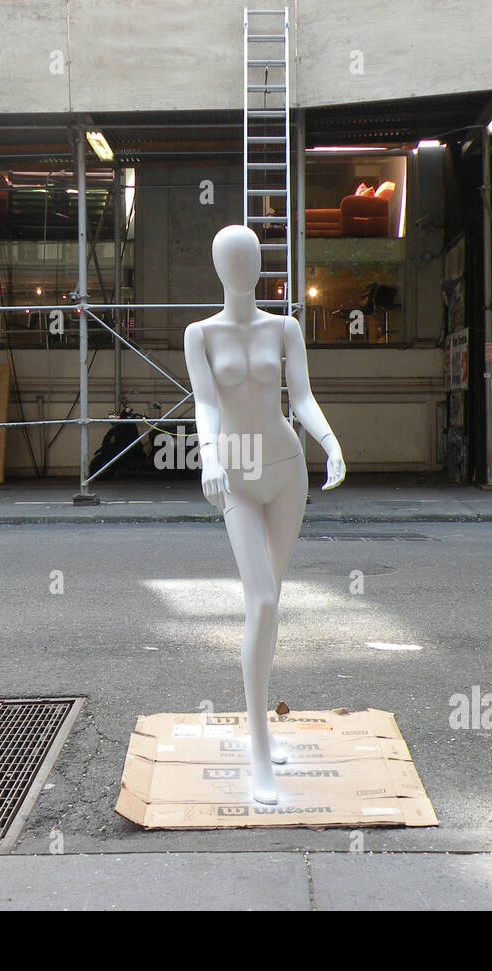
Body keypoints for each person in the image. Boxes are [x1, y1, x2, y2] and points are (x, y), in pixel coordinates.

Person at [183, 224, 345, 804]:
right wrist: (206, 458)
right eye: (231, 258)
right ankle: (257, 752)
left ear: (257, 266)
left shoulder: (285, 327)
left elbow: (299, 396)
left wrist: (329, 442)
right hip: (235, 474)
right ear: (218, 267)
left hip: (285, 469)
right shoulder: (200, 333)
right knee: (264, 603)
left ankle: (264, 729)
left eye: (249, 257)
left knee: (270, 606)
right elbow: (205, 402)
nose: (241, 267)